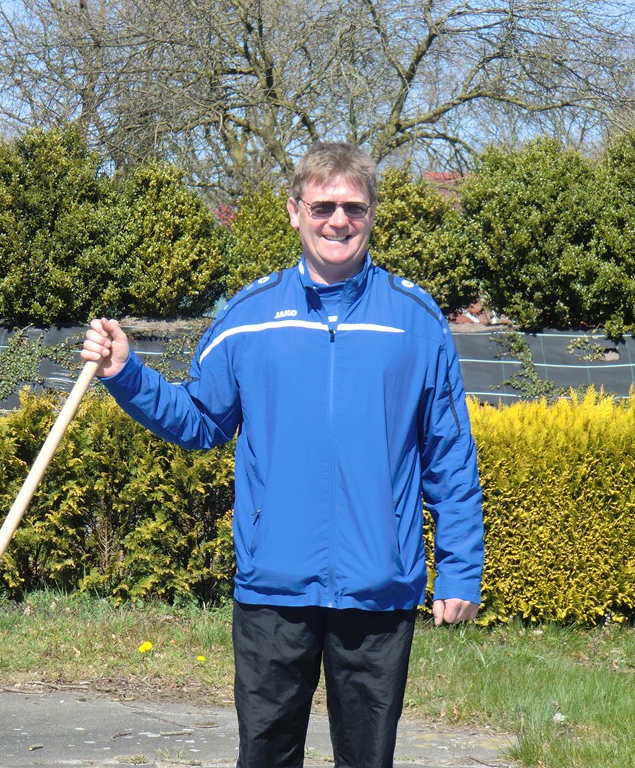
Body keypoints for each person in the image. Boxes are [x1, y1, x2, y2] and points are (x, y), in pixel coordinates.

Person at [81, 141, 484, 768]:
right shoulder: (249, 317)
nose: (338, 221)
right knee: (265, 757)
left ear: (373, 214)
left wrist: (459, 569)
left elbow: (449, 455)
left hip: (379, 589)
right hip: (273, 586)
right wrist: (127, 375)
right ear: (294, 211)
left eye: (354, 207)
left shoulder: (415, 320)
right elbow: (200, 421)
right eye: (323, 207)